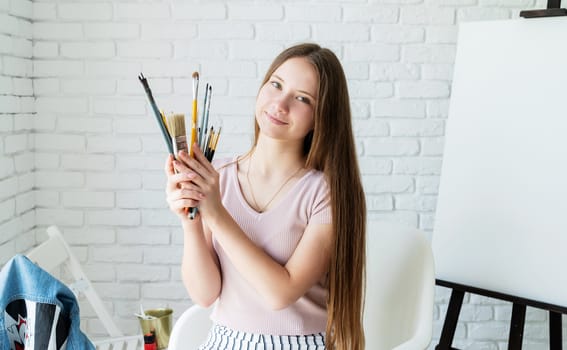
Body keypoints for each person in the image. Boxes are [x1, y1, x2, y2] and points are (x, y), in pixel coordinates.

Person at [165, 43, 366, 350]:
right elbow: (205, 294)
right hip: (224, 340)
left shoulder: (325, 193)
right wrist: (190, 220)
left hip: (299, 344)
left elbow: (280, 294)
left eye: (302, 98)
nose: (280, 104)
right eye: (276, 84)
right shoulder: (218, 175)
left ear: (321, 116)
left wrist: (216, 213)